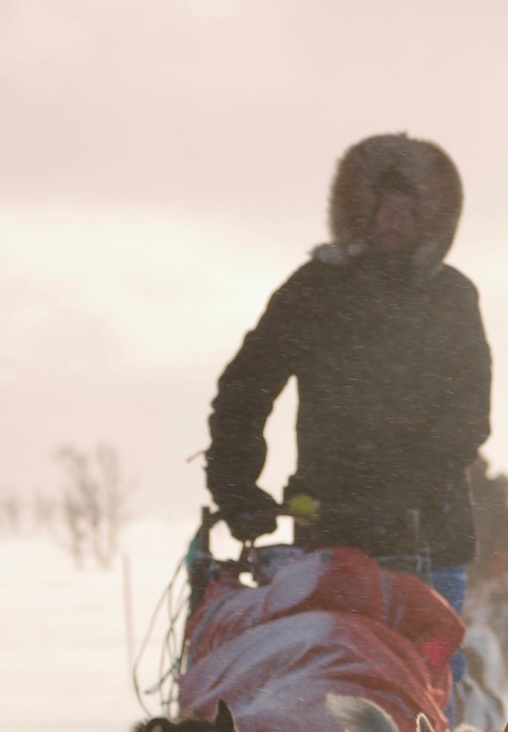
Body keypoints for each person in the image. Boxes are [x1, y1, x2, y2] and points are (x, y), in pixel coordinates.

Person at [205, 134, 492, 692]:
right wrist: (236, 485)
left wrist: (406, 487)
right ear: (354, 211)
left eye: (410, 210)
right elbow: (246, 386)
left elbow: (469, 413)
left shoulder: (451, 298)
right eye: (381, 207)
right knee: (321, 681)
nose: (393, 222)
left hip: (428, 533)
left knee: (426, 688)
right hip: (327, 526)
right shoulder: (315, 291)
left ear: (435, 219)